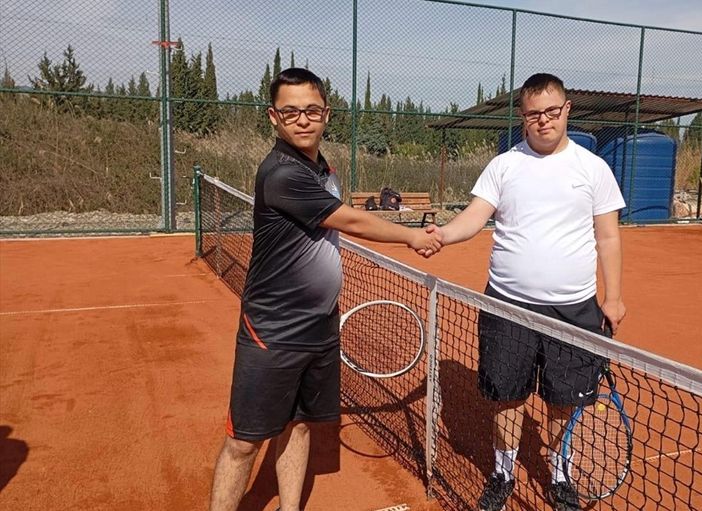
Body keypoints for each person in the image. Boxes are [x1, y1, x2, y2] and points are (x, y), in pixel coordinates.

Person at [208, 67, 441, 511]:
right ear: (273, 117)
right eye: (290, 111)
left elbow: (334, 217)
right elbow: (348, 220)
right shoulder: (281, 174)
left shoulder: (324, 169)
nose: (302, 119)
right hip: (273, 332)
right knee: (243, 442)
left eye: (312, 110)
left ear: (326, 114)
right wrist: (412, 236)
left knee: (298, 425)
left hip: (320, 328)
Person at [426, 73, 627, 511]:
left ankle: (559, 474)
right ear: (523, 117)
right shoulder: (504, 166)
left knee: (563, 401)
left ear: (567, 110)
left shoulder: (593, 169)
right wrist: (443, 234)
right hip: (506, 306)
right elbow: (475, 216)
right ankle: (503, 472)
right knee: (507, 396)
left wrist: (613, 297)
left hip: (574, 308)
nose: (544, 121)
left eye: (552, 111)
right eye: (534, 114)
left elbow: (608, 236)